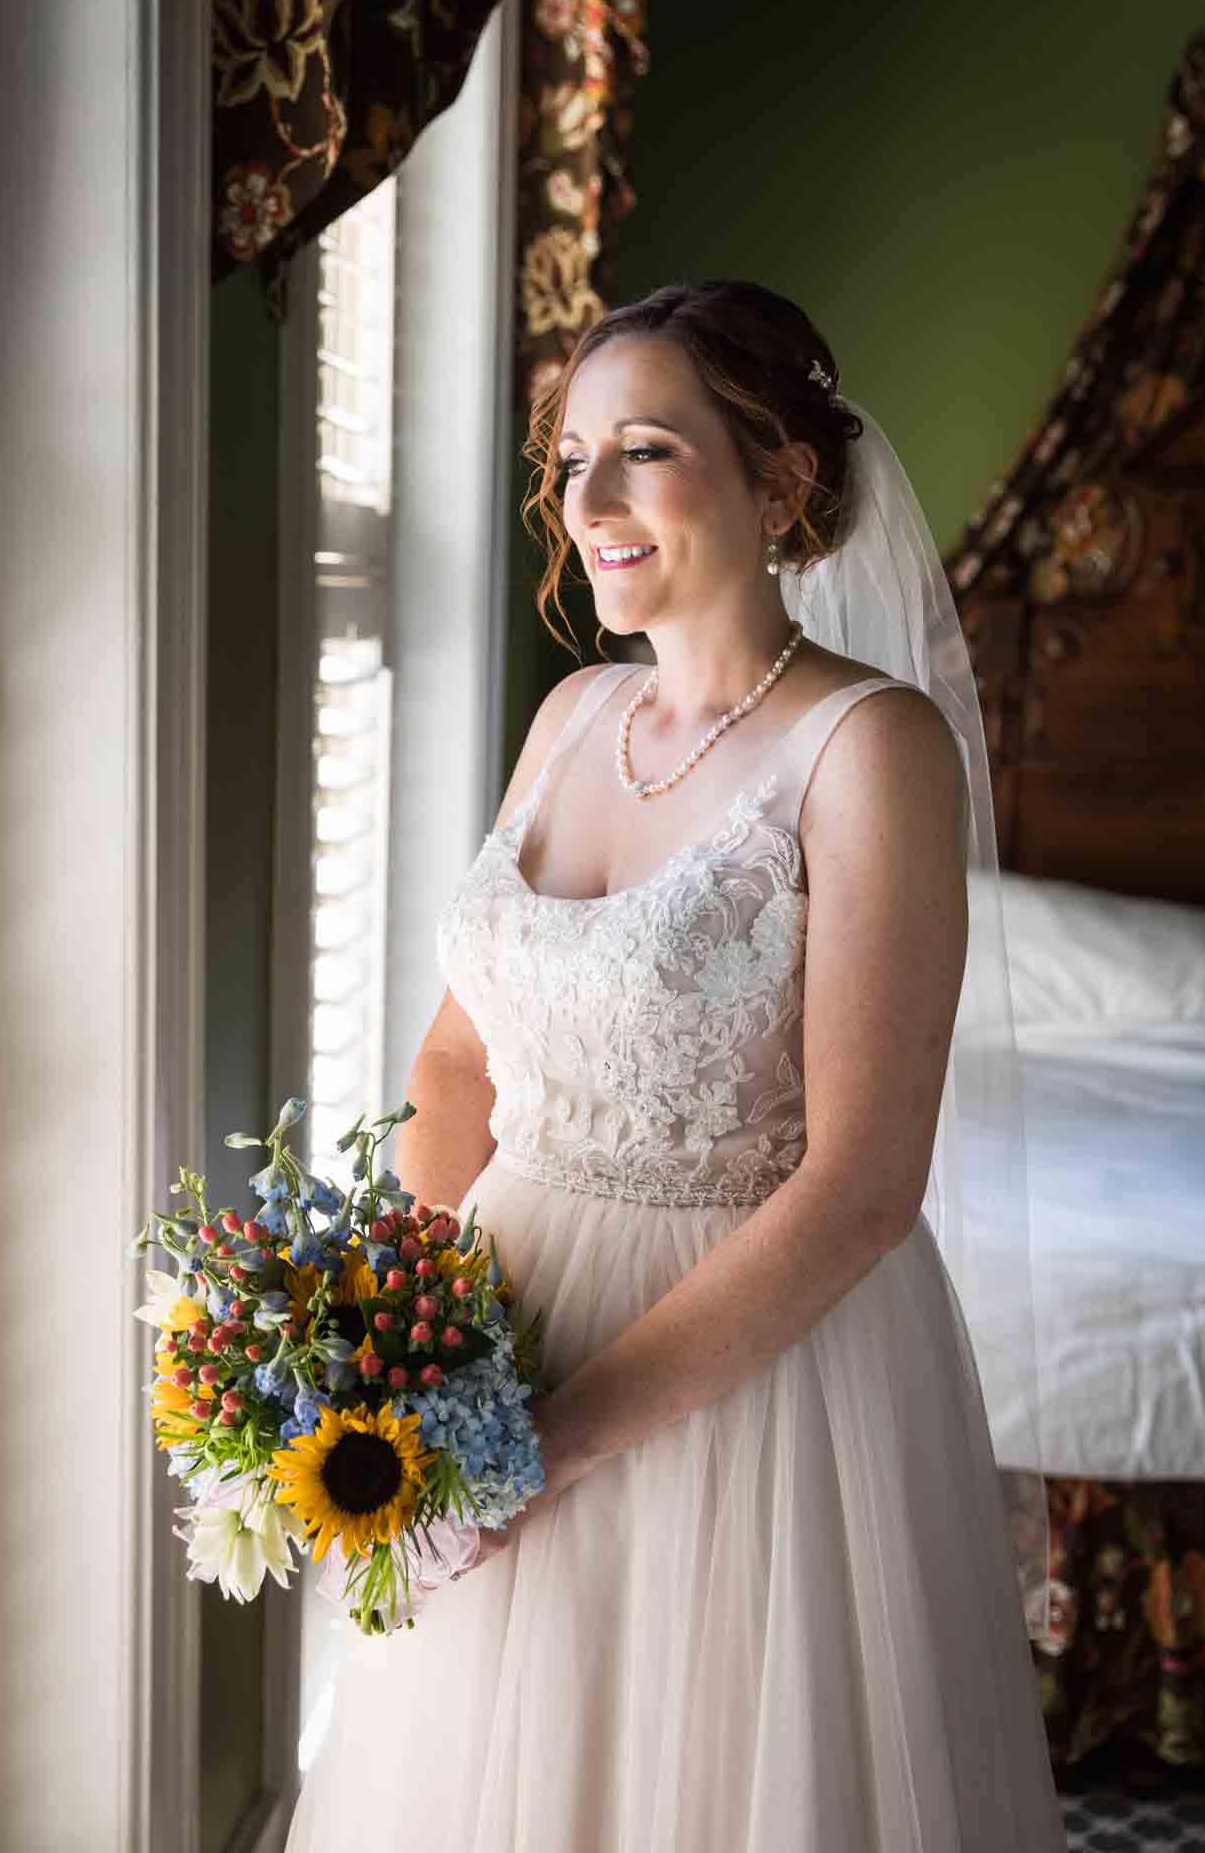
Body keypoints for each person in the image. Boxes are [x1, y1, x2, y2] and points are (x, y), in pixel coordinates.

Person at [285, 280, 1066, 1851]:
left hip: (752, 1387)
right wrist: (417, 1348)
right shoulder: (574, 714)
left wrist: (545, 1446)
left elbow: (857, 1186)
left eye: (644, 450)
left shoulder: (868, 748)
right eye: (571, 459)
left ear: (778, 481)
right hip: (499, 1331)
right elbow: (454, 1062)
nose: (589, 504)